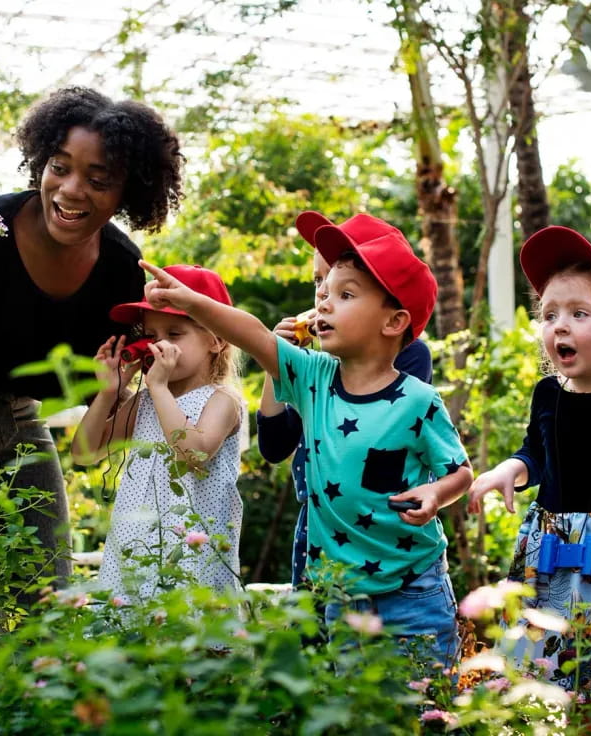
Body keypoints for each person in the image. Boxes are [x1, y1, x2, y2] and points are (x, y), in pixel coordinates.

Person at [137, 213, 472, 669]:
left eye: (345, 294)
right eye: (325, 290)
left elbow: (460, 472)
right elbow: (251, 333)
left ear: (393, 321)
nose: (324, 303)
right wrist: (192, 303)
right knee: (354, 707)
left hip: (413, 588)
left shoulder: (419, 398)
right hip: (340, 592)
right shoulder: (312, 375)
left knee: (421, 708)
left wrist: (436, 492)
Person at [0, 86, 184, 585]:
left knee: (49, 587)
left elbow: (108, 390)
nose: (70, 189)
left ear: (128, 191)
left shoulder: (121, 267)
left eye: (98, 178)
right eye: (60, 167)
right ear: (41, 161)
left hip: (18, 413)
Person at [467, 226, 591, 732]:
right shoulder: (548, 393)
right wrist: (509, 469)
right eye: (549, 315)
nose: (560, 327)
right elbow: (537, 452)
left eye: (579, 314)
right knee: (580, 685)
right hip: (556, 552)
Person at [256, 211, 432, 588]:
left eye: (342, 289)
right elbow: (273, 446)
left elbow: (384, 439)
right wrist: (278, 361)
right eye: (319, 281)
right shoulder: (312, 365)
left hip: (380, 531)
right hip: (319, 523)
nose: (322, 294)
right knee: (317, 638)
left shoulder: (411, 356)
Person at [72, 265, 242, 603]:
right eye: (151, 335)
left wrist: (159, 387)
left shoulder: (222, 400)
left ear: (217, 340)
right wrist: (107, 392)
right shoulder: (147, 399)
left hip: (192, 557)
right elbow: (84, 452)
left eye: (174, 334)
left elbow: (192, 455)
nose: (158, 345)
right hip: (135, 550)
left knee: (192, 644)